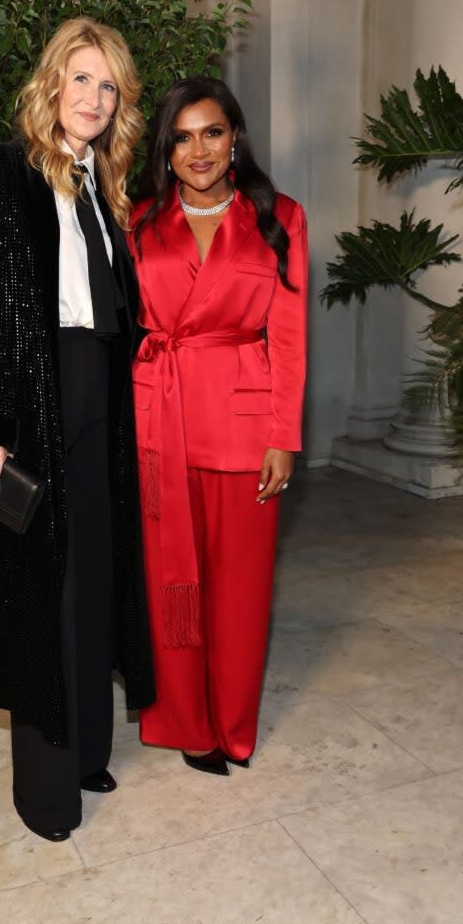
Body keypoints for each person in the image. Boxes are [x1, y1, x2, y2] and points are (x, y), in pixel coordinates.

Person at [0, 18, 155, 841]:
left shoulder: (102, 184)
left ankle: (85, 751)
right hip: (33, 402)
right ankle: (44, 790)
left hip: (98, 399)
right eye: (81, 80)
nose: (95, 98)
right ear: (50, 85)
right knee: (41, 591)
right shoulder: (3, 172)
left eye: (108, 86)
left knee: (94, 576)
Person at [128, 76, 307, 776]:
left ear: (235, 139)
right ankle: (185, 724)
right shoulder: (138, 218)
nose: (197, 149)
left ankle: (232, 724)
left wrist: (282, 435)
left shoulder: (278, 216)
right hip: (157, 420)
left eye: (211, 132)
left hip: (242, 423)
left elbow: (287, 334)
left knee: (237, 592)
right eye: (181, 136)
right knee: (169, 585)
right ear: (165, 150)